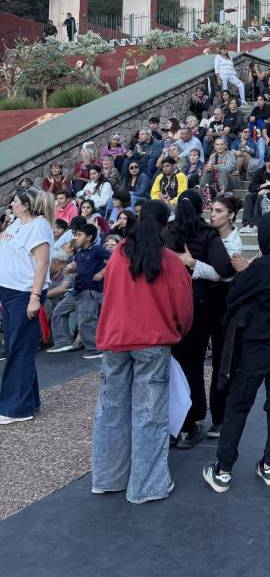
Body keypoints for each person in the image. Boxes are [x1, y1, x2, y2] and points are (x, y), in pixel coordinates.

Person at [91, 200, 193, 502]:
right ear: (164, 225)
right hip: (153, 340)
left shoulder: (118, 255)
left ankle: (108, 477)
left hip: (115, 339)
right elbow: (183, 306)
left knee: (111, 411)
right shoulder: (169, 260)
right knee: (149, 414)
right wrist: (178, 331)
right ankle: (146, 486)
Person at [203, 209, 270, 493]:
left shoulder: (262, 266)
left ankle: (223, 469)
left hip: (257, 347)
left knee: (238, 404)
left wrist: (245, 271)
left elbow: (235, 294)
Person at [168, 190, 235, 448]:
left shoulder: (168, 233)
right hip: (205, 304)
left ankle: (185, 423)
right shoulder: (207, 234)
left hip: (173, 304)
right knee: (204, 364)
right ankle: (206, 418)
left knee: (182, 364)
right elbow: (225, 269)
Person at [0, 188, 55, 424]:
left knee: (19, 349)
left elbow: (42, 263)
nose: (11, 204)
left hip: (24, 293)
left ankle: (16, 408)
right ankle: (29, 400)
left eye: (15, 201)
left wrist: (35, 297)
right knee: (17, 345)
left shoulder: (38, 226)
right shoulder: (16, 224)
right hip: (9, 291)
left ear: (26, 205)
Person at [48, 222, 110, 354]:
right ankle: (63, 342)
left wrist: (101, 273)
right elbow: (77, 264)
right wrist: (70, 267)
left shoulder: (97, 250)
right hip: (77, 290)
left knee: (86, 320)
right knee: (58, 312)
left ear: (89, 237)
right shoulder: (80, 252)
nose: (76, 238)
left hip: (90, 290)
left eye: (80, 235)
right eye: (76, 235)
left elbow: (114, 260)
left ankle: (95, 349)